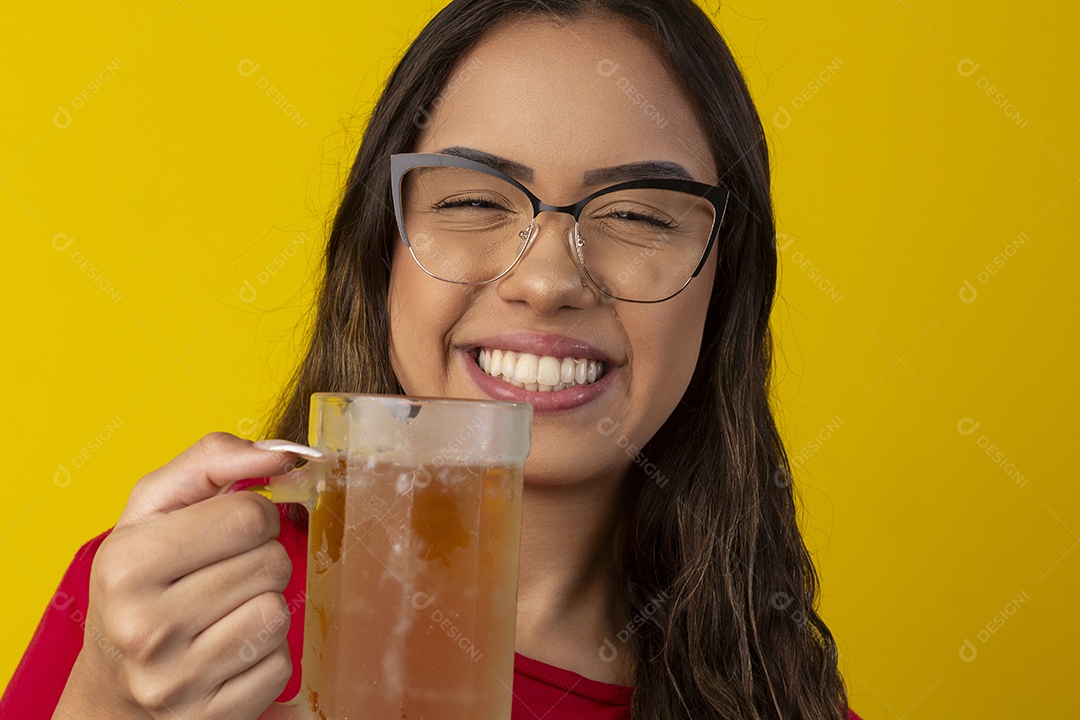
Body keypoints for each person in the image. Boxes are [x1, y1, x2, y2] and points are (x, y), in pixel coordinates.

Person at [3, 0, 862, 718]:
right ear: (383, 256)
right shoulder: (158, 628)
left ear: (725, 287)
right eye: (472, 201)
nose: (547, 281)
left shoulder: (783, 702)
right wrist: (105, 705)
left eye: (638, 216)